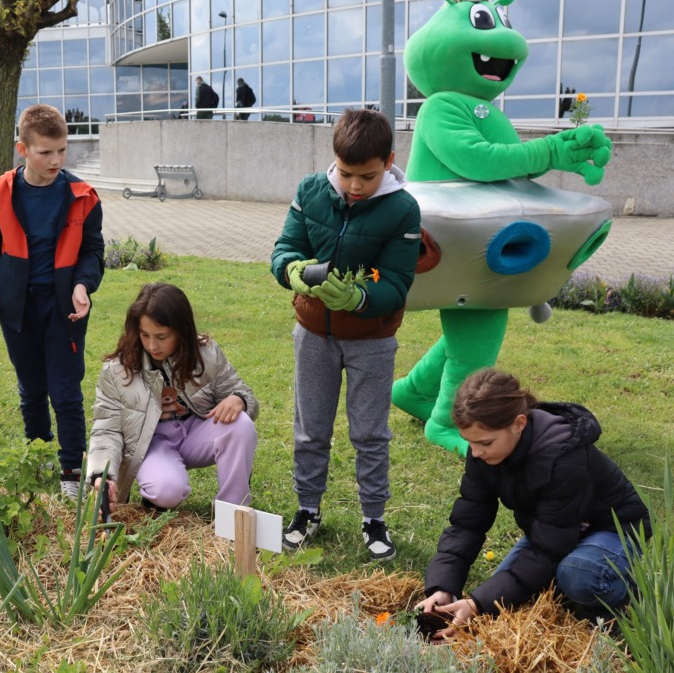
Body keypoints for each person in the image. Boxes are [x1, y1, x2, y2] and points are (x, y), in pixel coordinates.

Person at [271, 108, 421, 559]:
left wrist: (359, 299)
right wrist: (291, 270)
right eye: (347, 173)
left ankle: (374, 519)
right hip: (313, 333)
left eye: (368, 176)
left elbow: (397, 282)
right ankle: (307, 510)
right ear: (332, 158)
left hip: (372, 340)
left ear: (390, 161)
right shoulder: (311, 190)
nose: (355, 186)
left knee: (370, 433)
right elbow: (286, 247)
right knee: (310, 430)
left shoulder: (403, 209)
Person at [416, 368, 651, 636]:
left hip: (614, 530)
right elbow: (467, 524)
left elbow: (547, 550)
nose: (476, 452)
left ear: (518, 424)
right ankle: (565, 587)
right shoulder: (482, 451)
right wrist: (442, 587)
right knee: (501, 605)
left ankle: (622, 604)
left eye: (485, 443)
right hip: (554, 530)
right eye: (470, 442)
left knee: (577, 575)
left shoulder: (564, 459)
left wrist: (478, 604)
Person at [0, 104, 104, 497]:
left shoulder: (83, 194)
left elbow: (93, 251)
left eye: (62, 150)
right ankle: (39, 454)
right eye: (46, 152)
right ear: (22, 149)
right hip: (17, 308)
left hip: (65, 308)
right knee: (30, 389)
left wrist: (83, 284)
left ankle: (70, 472)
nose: (56, 160)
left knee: (65, 390)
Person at [87, 282, 258, 509]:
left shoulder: (207, 353)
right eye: (144, 334)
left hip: (196, 433)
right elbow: (106, 427)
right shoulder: (116, 370)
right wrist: (102, 473)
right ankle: (158, 490)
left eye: (162, 336)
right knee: (167, 491)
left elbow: (246, 396)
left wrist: (239, 400)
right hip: (152, 443)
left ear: (181, 330)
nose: (151, 345)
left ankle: (233, 512)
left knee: (241, 425)